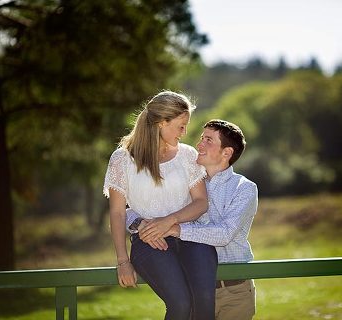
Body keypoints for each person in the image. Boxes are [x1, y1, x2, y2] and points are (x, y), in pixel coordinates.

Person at [127, 119, 258, 320]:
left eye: (208, 140)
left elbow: (224, 234)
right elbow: (132, 209)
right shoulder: (186, 182)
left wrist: (176, 229)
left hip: (234, 292)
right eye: (201, 138)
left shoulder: (244, 188)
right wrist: (141, 224)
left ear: (227, 153)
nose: (199, 145)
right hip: (192, 290)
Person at [103, 90, 217, 320]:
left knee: (204, 304)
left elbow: (201, 202)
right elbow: (116, 213)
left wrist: (169, 220)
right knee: (181, 304)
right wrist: (123, 261)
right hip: (149, 243)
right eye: (180, 126)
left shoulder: (187, 155)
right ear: (161, 123)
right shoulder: (122, 159)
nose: (184, 133)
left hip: (191, 236)